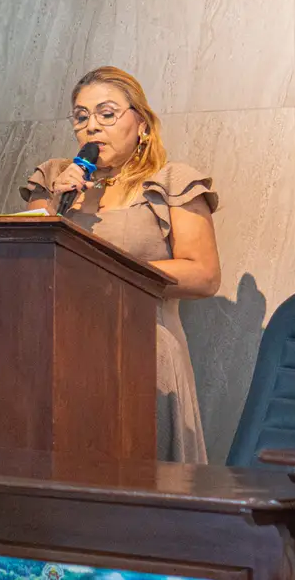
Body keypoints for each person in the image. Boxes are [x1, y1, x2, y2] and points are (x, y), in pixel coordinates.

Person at [20, 66, 221, 463]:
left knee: (148, 475)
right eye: (81, 117)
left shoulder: (171, 181)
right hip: (62, 351)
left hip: (146, 349)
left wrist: (107, 271)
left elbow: (204, 274)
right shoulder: (54, 181)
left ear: (141, 123)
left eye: (107, 114)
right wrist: (55, 205)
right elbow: (29, 265)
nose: (92, 127)